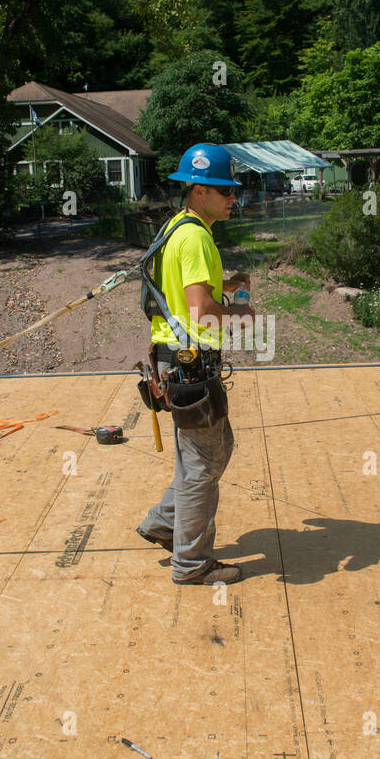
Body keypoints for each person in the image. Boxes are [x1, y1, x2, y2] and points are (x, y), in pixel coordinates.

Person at [137, 143, 254, 585]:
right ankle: (191, 563)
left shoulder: (179, 228)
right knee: (203, 465)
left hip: (176, 363)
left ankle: (165, 522)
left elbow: (183, 287)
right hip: (189, 367)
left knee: (215, 450)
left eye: (232, 190)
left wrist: (226, 280)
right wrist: (242, 314)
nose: (232, 198)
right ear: (198, 189)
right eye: (223, 190)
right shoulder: (197, 236)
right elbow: (202, 309)